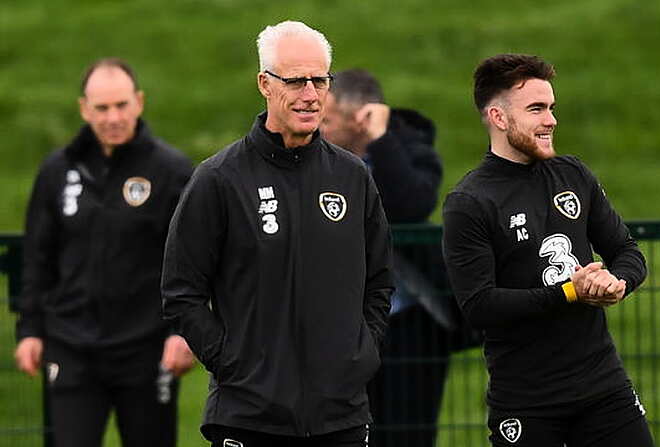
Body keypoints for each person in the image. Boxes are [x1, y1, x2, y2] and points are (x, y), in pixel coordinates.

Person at [161, 21, 393, 447]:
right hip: (249, 418)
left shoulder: (352, 176)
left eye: (319, 80)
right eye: (296, 80)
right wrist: (235, 363)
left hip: (339, 417)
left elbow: (379, 280)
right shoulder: (219, 178)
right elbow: (181, 291)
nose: (310, 94)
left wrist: (361, 353)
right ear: (265, 84)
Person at [442, 54, 654, 447]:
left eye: (551, 108)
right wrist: (571, 291)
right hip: (527, 403)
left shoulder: (573, 175)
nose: (551, 120)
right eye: (536, 109)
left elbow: (626, 250)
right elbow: (479, 305)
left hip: (603, 388)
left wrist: (616, 281)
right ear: (499, 118)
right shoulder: (469, 201)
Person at [14, 58, 195, 447]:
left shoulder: (172, 171)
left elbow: (192, 262)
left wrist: (182, 333)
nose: (113, 117)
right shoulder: (57, 172)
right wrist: (29, 329)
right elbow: (37, 257)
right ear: (84, 109)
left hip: (146, 352)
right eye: (102, 108)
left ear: (139, 102)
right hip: (72, 347)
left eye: (121, 105)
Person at [321, 68, 457, 447]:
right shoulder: (317, 161)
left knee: (407, 435)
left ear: (359, 118)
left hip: (408, 325)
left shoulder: (410, 148)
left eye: (328, 120)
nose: (319, 128)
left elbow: (411, 205)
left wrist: (381, 141)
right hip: (340, 329)